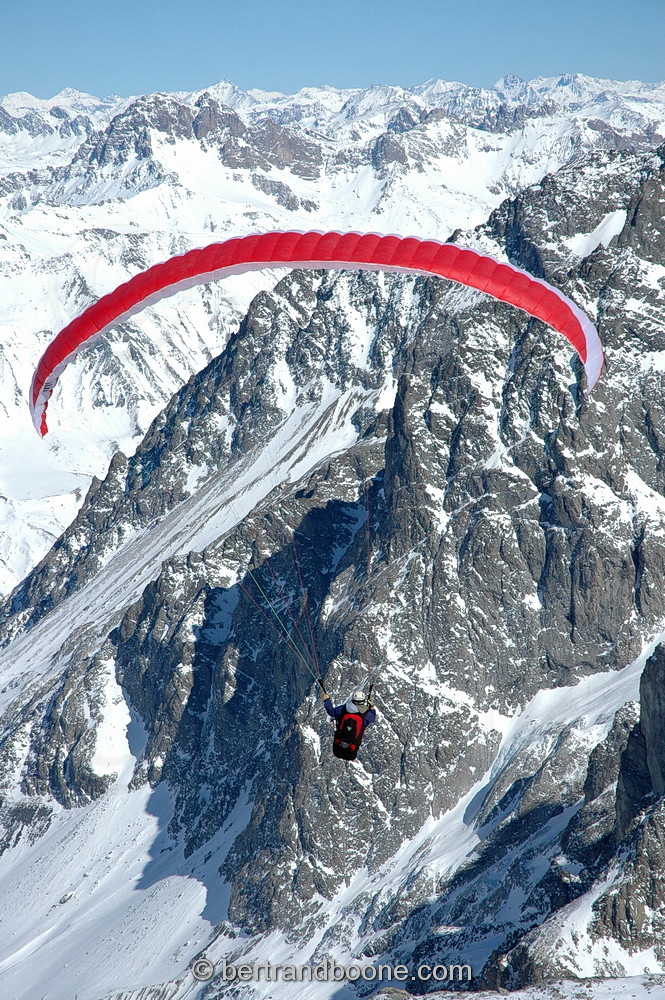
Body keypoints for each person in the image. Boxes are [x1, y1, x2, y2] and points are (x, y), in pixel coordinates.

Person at [322, 688, 376, 761]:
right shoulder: (366, 714)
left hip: (338, 746)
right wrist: (371, 707)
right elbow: (372, 717)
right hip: (351, 751)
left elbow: (332, 712)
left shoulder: (344, 709)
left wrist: (326, 700)